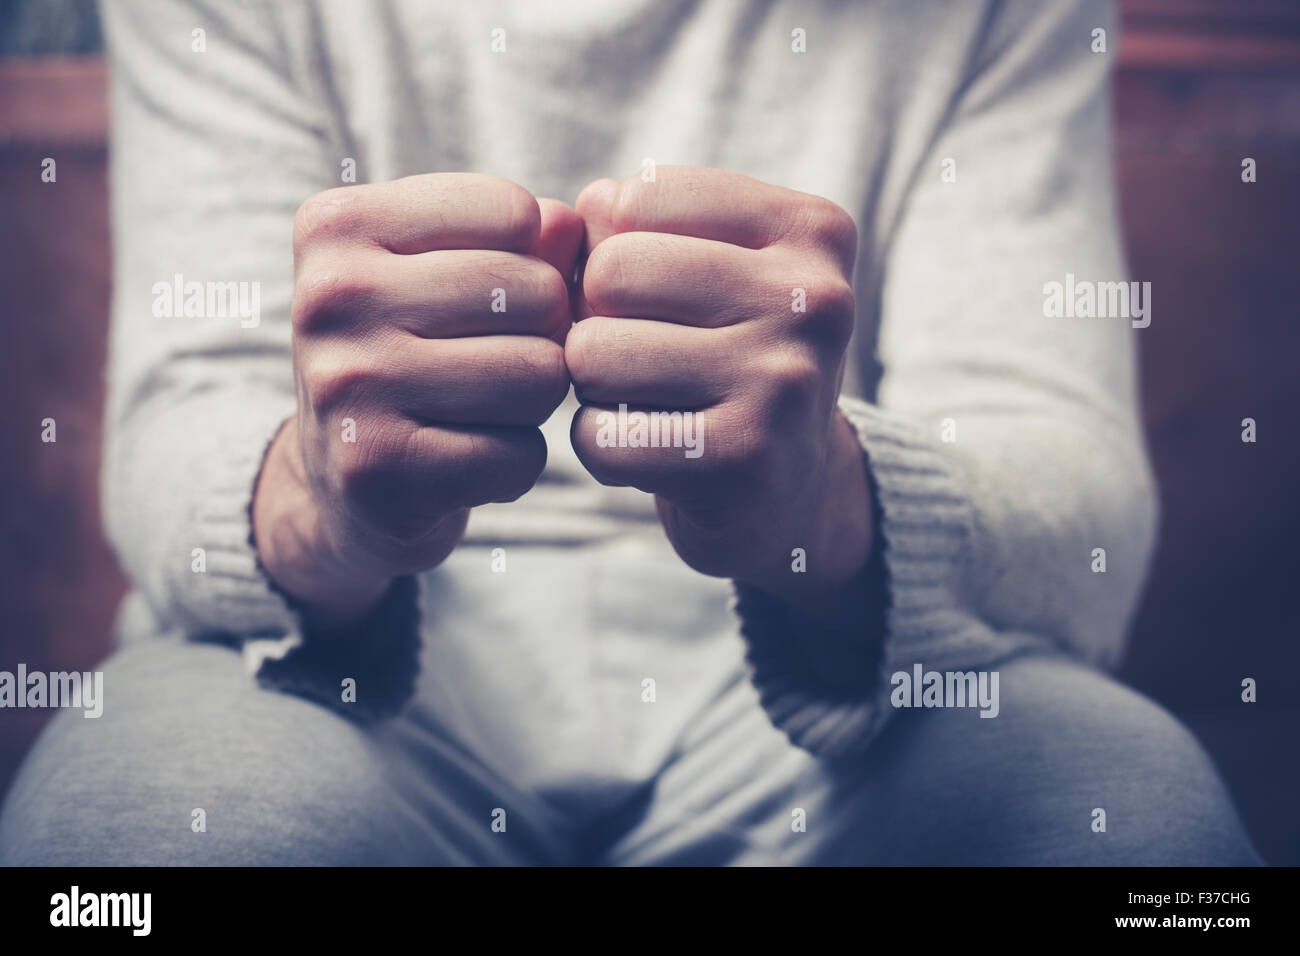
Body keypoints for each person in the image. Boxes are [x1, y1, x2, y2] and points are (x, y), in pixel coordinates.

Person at [0, 0, 1261, 865]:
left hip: (832, 659)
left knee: (1140, 830)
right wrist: (322, 496)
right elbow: (178, 434)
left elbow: (1077, 496)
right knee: (126, 840)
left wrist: (819, 495)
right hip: (331, 657)